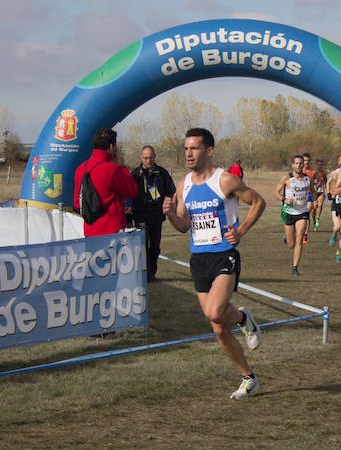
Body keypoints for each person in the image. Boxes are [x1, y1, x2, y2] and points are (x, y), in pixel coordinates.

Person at [163, 128, 266, 399]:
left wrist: (241, 230)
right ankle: (248, 377)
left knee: (213, 312)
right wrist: (172, 214)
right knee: (219, 328)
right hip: (199, 259)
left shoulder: (225, 180)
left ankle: (244, 319)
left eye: (194, 148)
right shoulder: (183, 184)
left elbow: (258, 202)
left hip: (224, 254)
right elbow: (184, 225)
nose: (188, 153)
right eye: (186, 148)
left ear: (208, 151)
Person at [73, 128, 138, 237]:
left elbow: (77, 203)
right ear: (112, 146)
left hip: (90, 231)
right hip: (112, 232)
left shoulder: (81, 169)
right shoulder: (112, 169)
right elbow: (132, 191)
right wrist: (122, 167)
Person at [130, 145, 175, 282]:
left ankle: (152, 274)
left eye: (150, 158)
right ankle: (141, 275)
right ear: (141, 158)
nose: (148, 161)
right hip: (140, 216)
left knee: (155, 247)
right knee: (141, 247)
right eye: (145, 158)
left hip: (156, 217)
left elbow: (172, 191)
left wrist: (168, 205)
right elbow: (128, 194)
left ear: (155, 157)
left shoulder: (162, 173)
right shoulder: (135, 174)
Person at [276, 154, 315, 276]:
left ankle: (295, 268)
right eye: (296, 163)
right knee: (291, 244)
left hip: (302, 212)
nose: (298, 165)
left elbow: (313, 191)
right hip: (289, 212)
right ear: (293, 165)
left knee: (300, 238)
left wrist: (314, 201)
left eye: (300, 163)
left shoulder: (308, 179)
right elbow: (275, 192)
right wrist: (284, 200)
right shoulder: (287, 178)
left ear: (303, 165)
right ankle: (287, 237)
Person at [326, 152, 341, 256]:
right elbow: (328, 182)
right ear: (338, 161)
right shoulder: (335, 172)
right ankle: (334, 234)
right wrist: (328, 193)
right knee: (337, 227)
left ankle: (338, 253)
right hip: (336, 202)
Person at [309, 158, 327, 230]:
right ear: (316, 165)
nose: (320, 166)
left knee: (320, 204)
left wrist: (325, 190)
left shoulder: (323, 173)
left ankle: (317, 219)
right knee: (313, 210)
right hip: (314, 192)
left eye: (321, 165)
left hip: (321, 192)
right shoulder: (313, 172)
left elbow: (326, 182)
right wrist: (315, 185)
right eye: (319, 165)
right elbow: (311, 182)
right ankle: (313, 221)